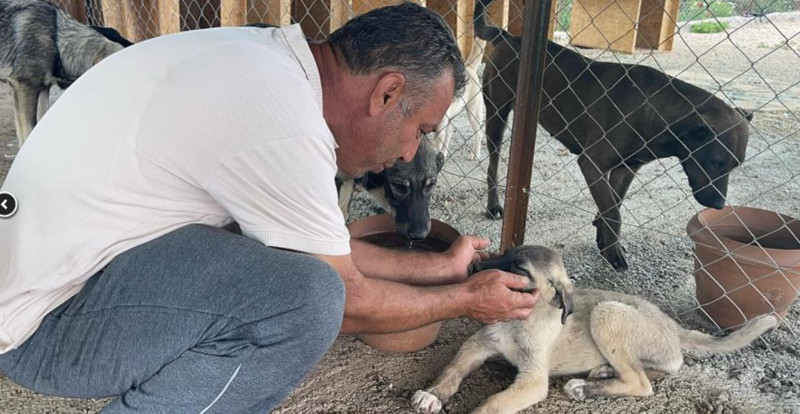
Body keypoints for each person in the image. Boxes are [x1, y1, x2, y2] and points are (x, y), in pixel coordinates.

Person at [0, 3, 537, 412]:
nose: (408, 152)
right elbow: (347, 297)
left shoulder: (266, 63)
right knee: (305, 301)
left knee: (292, 271)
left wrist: (442, 268)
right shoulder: (283, 123)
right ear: (387, 93)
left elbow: (319, 248)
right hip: (45, 326)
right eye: (419, 130)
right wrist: (465, 299)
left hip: (65, 277)